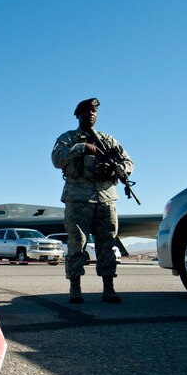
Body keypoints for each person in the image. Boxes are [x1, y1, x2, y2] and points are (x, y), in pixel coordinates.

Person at [51, 97, 134, 304]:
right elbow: (57, 160)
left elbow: (128, 162)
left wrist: (115, 168)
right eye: (86, 111)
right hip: (77, 198)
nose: (91, 114)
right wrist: (81, 148)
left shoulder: (108, 140)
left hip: (106, 198)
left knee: (107, 243)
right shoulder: (68, 138)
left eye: (94, 112)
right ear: (77, 115)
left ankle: (109, 288)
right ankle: (75, 288)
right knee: (77, 244)